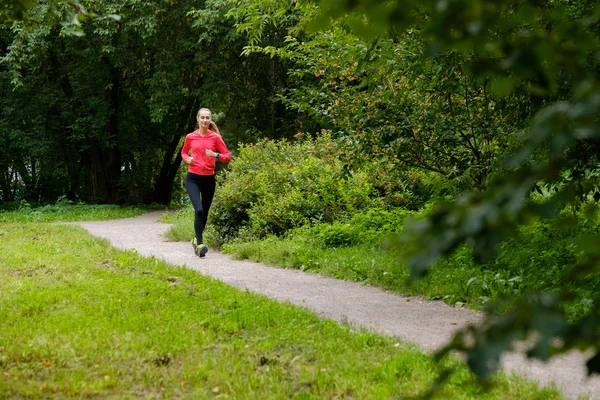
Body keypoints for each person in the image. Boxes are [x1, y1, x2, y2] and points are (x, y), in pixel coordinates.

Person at [181, 108, 231, 257]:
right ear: (197, 119)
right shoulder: (190, 137)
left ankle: (196, 240)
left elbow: (227, 156)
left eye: (207, 118)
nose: (204, 120)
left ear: (210, 119)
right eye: (202, 117)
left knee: (205, 213)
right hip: (193, 178)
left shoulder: (215, 137)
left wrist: (215, 154)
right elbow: (183, 152)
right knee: (199, 210)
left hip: (209, 179)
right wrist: (187, 159)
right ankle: (200, 244)